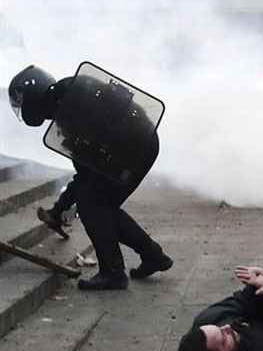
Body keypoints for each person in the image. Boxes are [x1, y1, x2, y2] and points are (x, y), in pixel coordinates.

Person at [8, 65, 172, 290]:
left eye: (22, 100)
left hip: (133, 149)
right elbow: (88, 170)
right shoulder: (69, 93)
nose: (24, 107)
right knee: (102, 205)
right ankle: (153, 255)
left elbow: (86, 172)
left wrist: (61, 207)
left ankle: (113, 273)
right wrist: (59, 209)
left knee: (91, 203)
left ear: (33, 95)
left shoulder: (70, 106)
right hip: (142, 144)